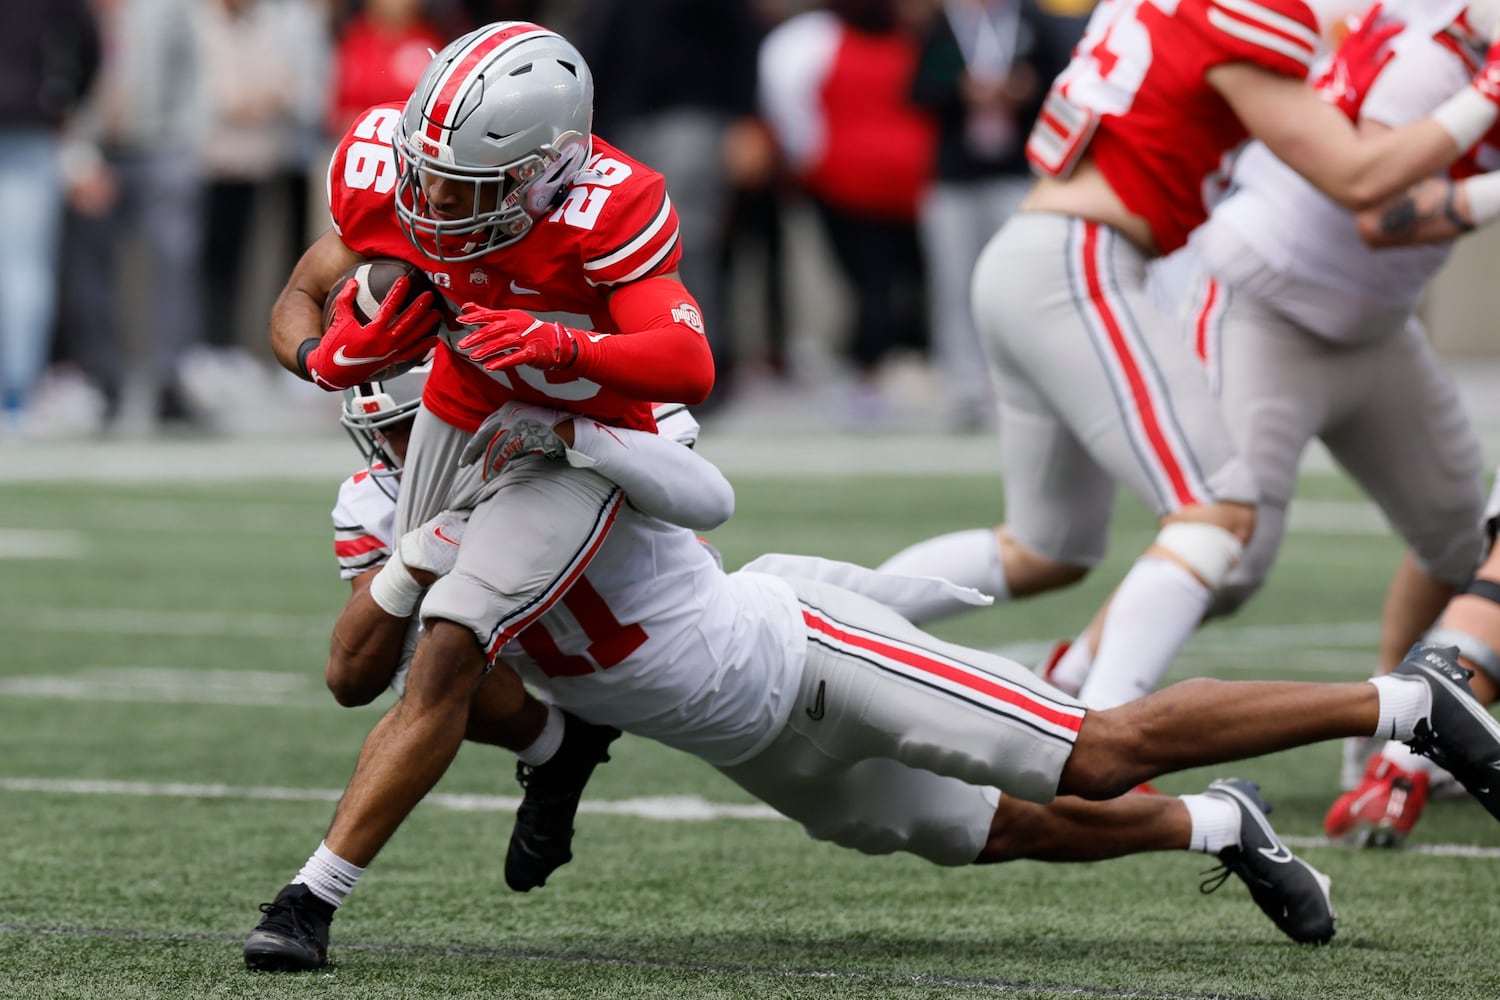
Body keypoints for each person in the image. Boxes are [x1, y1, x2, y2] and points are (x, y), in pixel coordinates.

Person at [243, 404, 1500, 972]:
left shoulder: (560, 433)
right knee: (994, 832)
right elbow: (374, 671)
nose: (385, 441)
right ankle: (1225, 822)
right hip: (743, 736)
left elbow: (698, 477)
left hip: (807, 651)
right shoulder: (384, 502)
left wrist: (603, 437)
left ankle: (1404, 705)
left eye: (403, 412)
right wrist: (424, 551)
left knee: (1096, 748)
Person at [877, 0, 1500, 714]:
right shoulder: (1245, 15)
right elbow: (1360, 179)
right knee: (1218, 518)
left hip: (1045, 251)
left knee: (1046, 551)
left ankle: (827, 617)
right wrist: (1486, 91)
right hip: (1080, 262)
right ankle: (1094, 739)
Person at [252, 14, 717, 958]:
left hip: (573, 434)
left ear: (547, 167)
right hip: (461, 414)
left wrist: (559, 342)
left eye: (464, 189)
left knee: (449, 651)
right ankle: (558, 746)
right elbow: (300, 293)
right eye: (424, 178)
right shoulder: (394, 165)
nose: (431, 207)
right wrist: (325, 360)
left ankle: (308, 903)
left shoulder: (608, 202)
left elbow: (688, 360)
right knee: (366, 668)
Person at [324, 362, 733, 889]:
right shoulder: (370, 497)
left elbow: (697, 492)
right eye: (381, 430)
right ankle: (555, 747)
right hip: (526, 644)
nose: (393, 445)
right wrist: (406, 567)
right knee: (410, 649)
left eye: (406, 425)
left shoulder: (562, 391)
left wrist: (580, 440)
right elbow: (351, 678)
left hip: (655, 631)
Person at [757, 0, 937, 426]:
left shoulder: (814, 39)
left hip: (849, 178)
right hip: (903, 178)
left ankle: (871, 379)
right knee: (895, 282)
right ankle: (893, 370)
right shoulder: (833, 38)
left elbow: (787, 101)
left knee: (870, 283)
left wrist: (805, 157)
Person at [908, 0, 1077, 432]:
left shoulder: (1031, 21)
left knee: (1019, 286)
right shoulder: (944, 24)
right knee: (954, 284)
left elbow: (1067, 84)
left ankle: (1023, 385)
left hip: (1015, 173)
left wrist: (1025, 88)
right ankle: (964, 387)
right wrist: (961, 89)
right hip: (953, 178)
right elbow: (917, 89)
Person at [0, 0, 100, 436]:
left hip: (30, 128)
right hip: (31, 122)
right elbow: (88, 43)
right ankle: (15, 396)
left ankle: (17, 393)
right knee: (23, 269)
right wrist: (64, 98)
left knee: (22, 271)